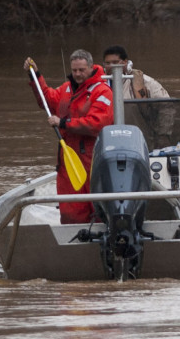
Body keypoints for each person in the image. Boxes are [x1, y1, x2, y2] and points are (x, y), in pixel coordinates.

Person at [25, 50, 114, 223]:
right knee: (70, 210)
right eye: (75, 71)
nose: (78, 74)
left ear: (90, 67)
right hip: (68, 158)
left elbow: (97, 123)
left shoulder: (103, 91)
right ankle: (73, 240)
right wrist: (35, 75)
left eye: (81, 70)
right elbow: (47, 100)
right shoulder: (66, 88)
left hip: (93, 157)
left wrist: (64, 123)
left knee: (97, 208)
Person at [100, 45, 167, 99]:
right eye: (107, 63)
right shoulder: (98, 83)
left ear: (125, 62)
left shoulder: (145, 81)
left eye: (115, 62)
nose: (111, 66)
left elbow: (167, 106)